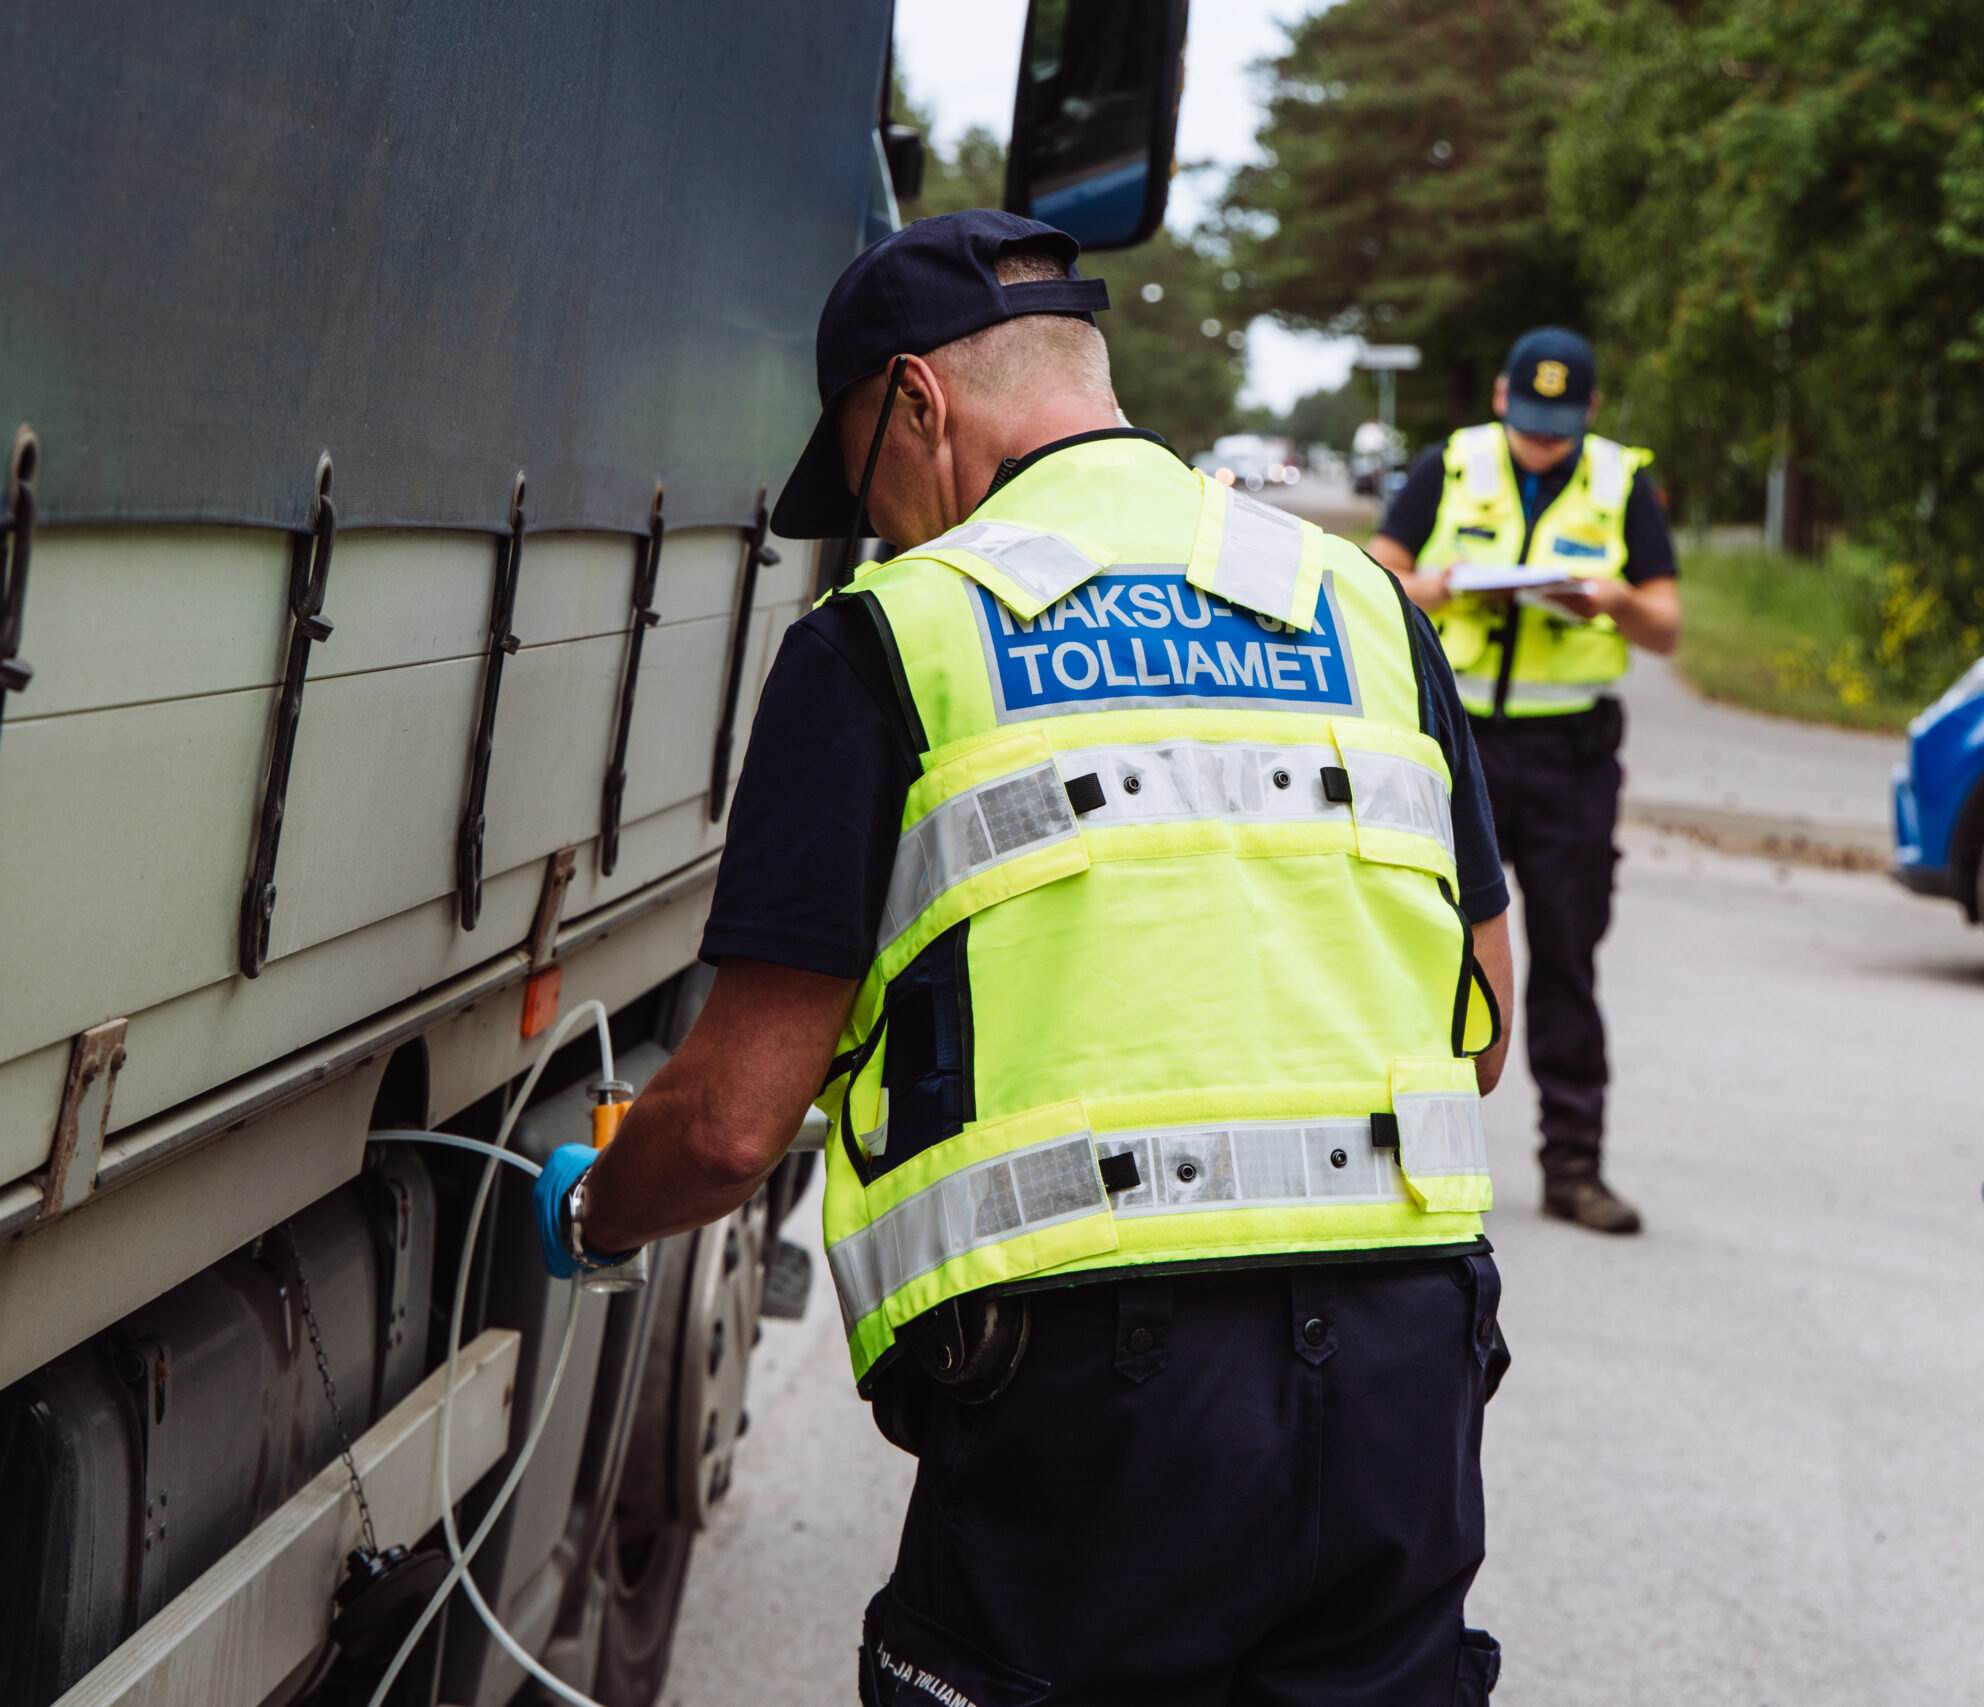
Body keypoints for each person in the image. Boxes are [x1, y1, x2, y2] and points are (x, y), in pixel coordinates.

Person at [533, 209, 1516, 1706]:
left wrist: (597, 1211)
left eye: (865, 478)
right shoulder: (1362, 602)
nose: (881, 529)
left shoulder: (893, 635)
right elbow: (1483, 1023)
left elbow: (731, 1125)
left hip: (1102, 1392)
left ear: (918, 400)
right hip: (1406, 1372)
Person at [1365, 328, 1681, 1236]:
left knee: (1568, 963)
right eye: (1530, 419)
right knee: (1423, 952)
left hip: (1570, 758)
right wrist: (1440, 587)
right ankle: (1409, 1161)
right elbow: (1374, 575)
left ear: (1590, 410)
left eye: (1560, 424)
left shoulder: (1621, 481)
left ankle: (1573, 1167)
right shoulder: (1450, 465)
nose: (1542, 440)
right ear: (1502, 396)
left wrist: (1613, 599)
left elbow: (1665, 626)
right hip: (1454, 747)